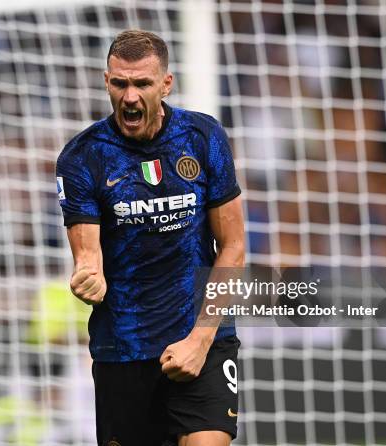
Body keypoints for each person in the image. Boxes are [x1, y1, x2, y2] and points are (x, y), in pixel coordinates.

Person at [56, 29, 245, 446]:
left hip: (201, 337)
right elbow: (86, 254)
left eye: (142, 83)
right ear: (106, 81)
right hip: (123, 347)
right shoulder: (82, 157)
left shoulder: (203, 138)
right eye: (120, 83)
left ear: (166, 83)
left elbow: (233, 246)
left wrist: (200, 339)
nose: (129, 97)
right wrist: (89, 274)